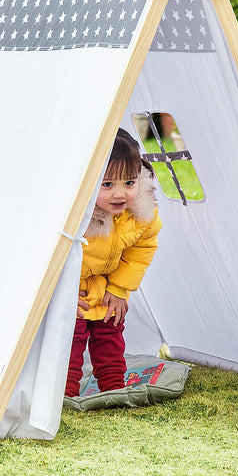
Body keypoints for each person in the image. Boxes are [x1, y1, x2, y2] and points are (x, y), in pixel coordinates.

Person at [64, 127, 162, 397]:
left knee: (111, 332)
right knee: (70, 338)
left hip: (107, 286)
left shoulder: (139, 215)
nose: (120, 194)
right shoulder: (74, 214)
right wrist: (62, 291)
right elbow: (50, 253)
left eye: (129, 183)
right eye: (108, 185)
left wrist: (119, 288)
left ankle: (113, 387)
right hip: (73, 290)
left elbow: (142, 248)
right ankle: (65, 393)